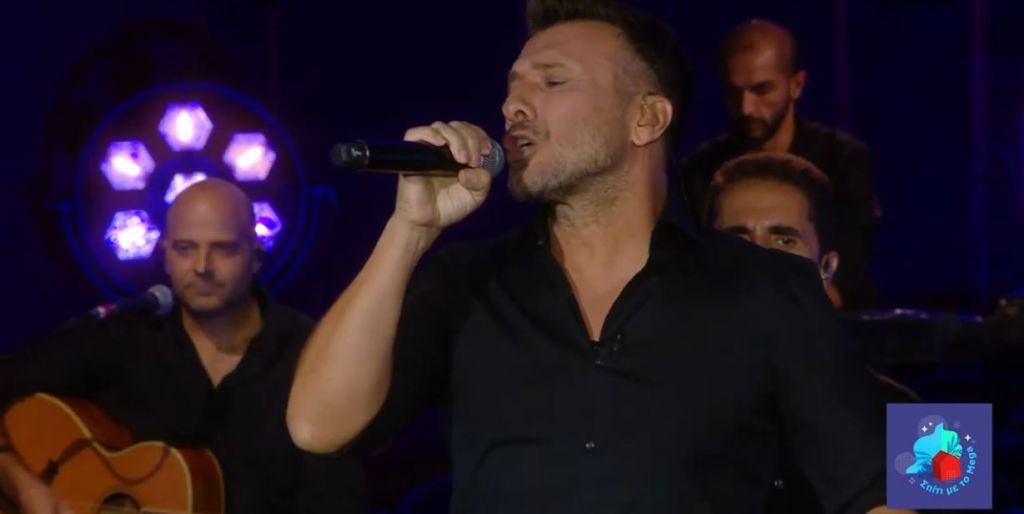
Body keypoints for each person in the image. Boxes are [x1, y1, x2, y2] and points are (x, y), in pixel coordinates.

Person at [288, 1, 907, 513]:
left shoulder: (764, 292)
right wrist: (409, 230)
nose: (513, 106)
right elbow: (317, 427)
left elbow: (892, 489)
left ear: (646, 118)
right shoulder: (465, 283)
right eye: (513, 86)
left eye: (553, 82)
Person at [0, 179, 367, 514]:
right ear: (165, 254)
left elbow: (338, 497)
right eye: (185, 249)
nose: (202, 267)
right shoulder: (124, 335)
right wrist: (21, 485)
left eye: (223, 249)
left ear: (255, 255)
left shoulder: (309, 354)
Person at [704, 152, 920, 513]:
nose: (759, 259)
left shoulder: (923, 421)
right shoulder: (651, 403)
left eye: (784, 241)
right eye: (737, 239)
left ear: (826, 267)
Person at [679, 19, 880, 309]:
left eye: (762, 90)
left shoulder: (842, 159)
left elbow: (851, 265)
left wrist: (796, 317)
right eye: (735, 93)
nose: (746, 108)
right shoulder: (700, 169)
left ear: (796, 85)